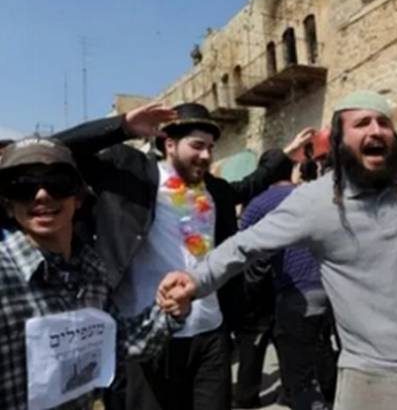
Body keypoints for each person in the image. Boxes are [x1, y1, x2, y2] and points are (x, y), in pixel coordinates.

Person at [159, 90, 397, 410]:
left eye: (383, 123)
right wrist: (195, 281)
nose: (376, 130)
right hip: (371, 375)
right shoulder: (313, 201)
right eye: (362, 124)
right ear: (339, 141)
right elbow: (245, 245)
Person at [55, 102, 308, 410]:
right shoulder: (128, 172)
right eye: (197, 146)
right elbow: (55, 149)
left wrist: (286, 154)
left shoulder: (214, 190)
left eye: (210, 148)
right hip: (145, 335)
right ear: (170, 144)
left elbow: (250, 185)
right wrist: (122, 126)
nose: (205, 155)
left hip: (210, 333)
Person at [0, 137, 188, 410]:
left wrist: (169, 308)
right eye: (23, 187)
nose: (42, 195)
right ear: (7, 204)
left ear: (78, 197)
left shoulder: (92, 271)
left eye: (58, 183)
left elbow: (116, 344)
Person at [240, 148, 338, 410]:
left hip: (294, 293)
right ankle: (332, 394)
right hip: (328, 288)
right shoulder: (311, 194)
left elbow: (242, 247)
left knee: (298, 370)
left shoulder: (259, 205)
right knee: (321, 346)